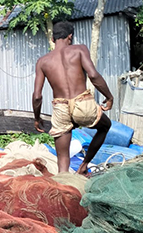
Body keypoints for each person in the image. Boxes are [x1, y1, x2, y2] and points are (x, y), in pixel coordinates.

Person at [33, 21, 113, 175]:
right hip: (83, 104)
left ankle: (64, 183)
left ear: (52, 39)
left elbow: (37, 96)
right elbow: (94, 75)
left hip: (60, 107)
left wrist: (37, 118)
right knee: (105, 126)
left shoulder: (42, 62)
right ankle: (84, 165)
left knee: (62, 162)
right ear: (70, 37)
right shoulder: (79, 50)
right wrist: (109, 97)